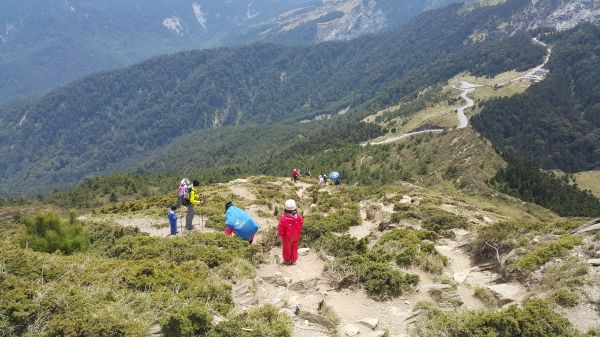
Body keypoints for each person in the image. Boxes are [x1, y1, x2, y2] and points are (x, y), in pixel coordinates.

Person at [278, 199, 303, 265]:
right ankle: (294, 260)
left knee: (287, 248)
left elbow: (281, 227)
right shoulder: (298, 216)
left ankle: (287, 260)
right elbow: (301, 224)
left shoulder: (283, 218)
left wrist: (281, 234)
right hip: (296, 235)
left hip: (287, 236)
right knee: (294, 247)